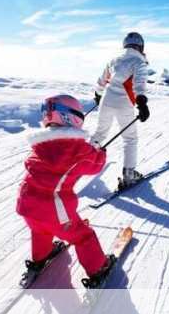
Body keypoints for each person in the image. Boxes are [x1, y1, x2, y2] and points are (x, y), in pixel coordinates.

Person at [16, 94, 115, 285]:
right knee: (83, 236)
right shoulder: (77, 148)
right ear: (72, 117)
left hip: (27, 204)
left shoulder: (40, 143)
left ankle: (40, 257)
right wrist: (100, 151)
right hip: (54, 210)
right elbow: (95, 165)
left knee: (40, 230)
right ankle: (98, 268)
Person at [91, 32, 150, 187]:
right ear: (140, 45)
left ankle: (82, 164)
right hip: (124, 103)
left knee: (100, 133)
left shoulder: (113, 59)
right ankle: (129, 174)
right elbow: (139, 84)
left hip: (106, 100)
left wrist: (98, 95)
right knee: (130, 138)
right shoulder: (139, 61)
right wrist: (142, 103)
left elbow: (102, 81)